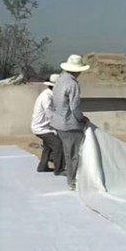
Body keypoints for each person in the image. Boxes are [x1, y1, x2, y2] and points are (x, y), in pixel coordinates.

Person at [50, 54, 91, 191]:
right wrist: (82, 119)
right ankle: (72, 181)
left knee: (68, 153)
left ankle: (71, 178)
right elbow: (74, 107)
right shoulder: (72, 84)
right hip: (70, 124)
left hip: (58, 123)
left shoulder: (60, 80)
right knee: (74, 155)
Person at [30, 73, 65, 175]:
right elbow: (49, 113)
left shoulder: (49, 94)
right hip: (41, 128)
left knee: (48, 147)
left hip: (45, 127)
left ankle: (42, 166)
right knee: (58, 145)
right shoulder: (47, 96)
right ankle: (59, 169)